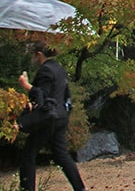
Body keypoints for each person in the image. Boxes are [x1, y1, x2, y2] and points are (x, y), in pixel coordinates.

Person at [18, 41, 85, 191]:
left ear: (39, 55)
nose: (32, 59)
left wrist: (26, 85)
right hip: (61, 116)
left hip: (48, 119)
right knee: (61, 155)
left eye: (33, 55)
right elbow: (64, 94)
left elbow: (43, 97)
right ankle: (80, 188)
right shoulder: (59, 69)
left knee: (28, 154)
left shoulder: (45, 71)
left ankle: (27, 188)